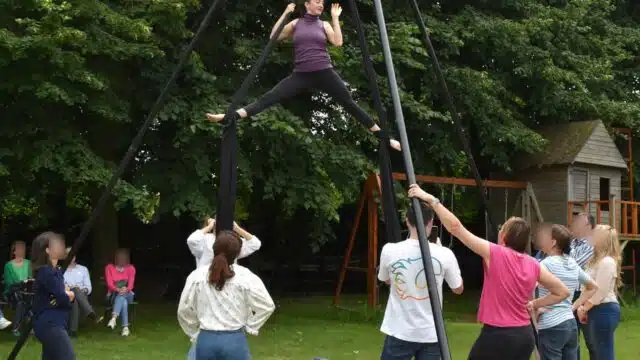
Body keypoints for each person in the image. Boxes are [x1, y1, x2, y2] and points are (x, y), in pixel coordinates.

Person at [204, 1, 402, 152]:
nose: (320, 5)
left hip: (324, 72)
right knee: (269, 98)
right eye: (316, 2)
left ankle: (387, 138)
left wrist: (334, 17)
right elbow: (274, 36)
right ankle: (229, 116)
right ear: (307, 4)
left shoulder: (324, 24)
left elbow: (338, 42)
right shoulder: (296, 23)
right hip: (301, 74)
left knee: (349, 103)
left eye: (322, 3)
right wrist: (286, 13)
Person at [408, 184, 570, 360]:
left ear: (505, 235)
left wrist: (432, 201)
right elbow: (563, 292)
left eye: (502, 228)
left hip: (498, 335)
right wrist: (536, 303)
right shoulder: (534, 264)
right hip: (524, 336)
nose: (500, 230)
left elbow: (456, 228)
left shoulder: (495, 253)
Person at [378, 202, 463, 359]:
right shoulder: (444, 254)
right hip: (431, 332)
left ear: (407, 220)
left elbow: (386, 280)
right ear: (431, 222)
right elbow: (458, 288)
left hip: (399, 330)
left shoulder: (389, 250)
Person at [178, 230, 275, 360]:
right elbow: (267, 305)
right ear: (238, 252)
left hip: (206, 340)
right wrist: (251, 326)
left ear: (214, 249)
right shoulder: (246, 276)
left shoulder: (197, 276)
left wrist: (194, 332)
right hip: (234, 340)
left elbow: (184, 310)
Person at [531, 223, 598, 360]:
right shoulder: (572, 263)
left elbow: (529, 287)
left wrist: (535, 305)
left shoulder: (545, 264)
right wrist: (572, 307)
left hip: (551, 325)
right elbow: (593, 287)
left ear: (553, 242)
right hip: (570, 323)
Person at [574, 225, 622, 360]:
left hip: (604, 309)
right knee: (598, 350)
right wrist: (581, 307)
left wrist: (584, 308)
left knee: (603, 352)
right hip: (594, 309)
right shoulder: (595, 261)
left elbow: (601, 291)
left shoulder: (607, 262)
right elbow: (588, 288)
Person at [31, 231, 76, 359]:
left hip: (57, 322)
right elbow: (62, 298)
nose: (62, 245)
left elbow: (59, 295)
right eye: (57, 243)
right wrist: (69, 295)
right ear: (47, 250)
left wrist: (65, 294)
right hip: (50, 324)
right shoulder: (46, 272)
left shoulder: (55, 271)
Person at [568, 212, 595, 359]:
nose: (574, 226)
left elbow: (573, 266)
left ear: (588, 227)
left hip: (586, 295)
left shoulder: (592, 244)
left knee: (591, 339)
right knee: (572, 338)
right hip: (570, 294)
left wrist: (565, 256)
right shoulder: (572, 243)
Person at [187, 217, 262, 268]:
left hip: (229, 282)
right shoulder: (205, 239)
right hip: (206, 282)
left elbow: (255, 244)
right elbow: (192, 240)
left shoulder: (233, 240)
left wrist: (237, 228)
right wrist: (209, 227)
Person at [63, 248, 96, 337]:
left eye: (72, 254)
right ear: (64, 256)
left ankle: (73, 331)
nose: (71, 256)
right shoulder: (61, 270)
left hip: (82, 295)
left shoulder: (83, 269)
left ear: (75, 256)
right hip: (67, 295)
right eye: (68, 254)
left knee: (76, 294)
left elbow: (88, 288)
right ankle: (89, 311)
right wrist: (69, 288)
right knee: (74, 293)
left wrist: (81, 291)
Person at [104, 248, 136, 336]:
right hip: (113, 294)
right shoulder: (109, 268)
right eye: (120, 258)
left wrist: (126, 289)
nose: (122, 260)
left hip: (128, 293)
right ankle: (125, 328)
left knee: (123, 296)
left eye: (124, 258)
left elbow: (131, 284)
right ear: (116, 258)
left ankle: (114, 318)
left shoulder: (131, 268)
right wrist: (118, 290)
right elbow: (110, 284)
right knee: (123, 302)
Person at [3, 240, 32, 334]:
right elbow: (9, 283)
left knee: (24, 300)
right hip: (12, 292)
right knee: (22, 300)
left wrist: (27, 282)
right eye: (19, 249)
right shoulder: (8, 266)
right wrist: (21, 282)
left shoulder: (29, 263)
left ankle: (17, 327)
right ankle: (28, 325)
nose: (21, 251)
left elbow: (30, 278)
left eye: (22, 249)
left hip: (27, 291)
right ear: (14, 251)